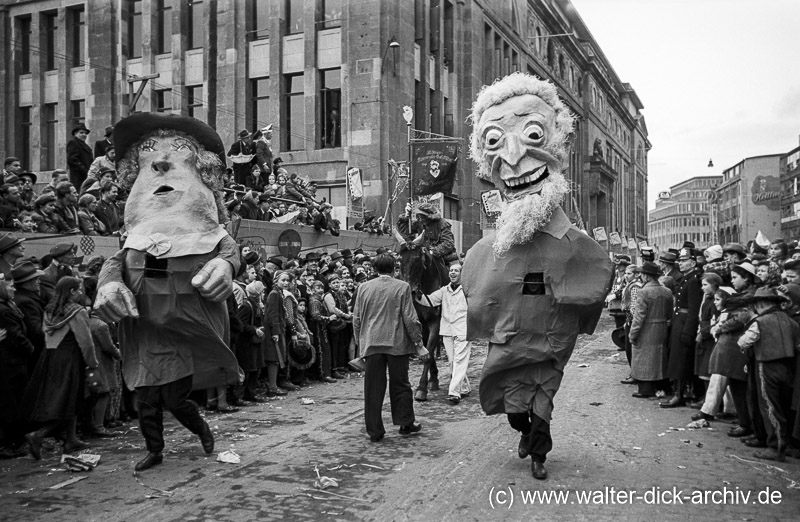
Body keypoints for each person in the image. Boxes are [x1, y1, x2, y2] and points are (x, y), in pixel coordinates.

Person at [462, 73, 613, 480]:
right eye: (494, 141)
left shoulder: (573, 242)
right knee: (514, 408)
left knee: (542, 403)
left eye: (531, 133)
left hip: (547, 344)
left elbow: (595, 280)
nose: (512, 156)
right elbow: (475, 289)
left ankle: (539, 455)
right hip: (511, 343)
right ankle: (524, 434)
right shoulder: (490, 248)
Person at [93, 113, 241, 472]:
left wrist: (226, 266)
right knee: (146, 400)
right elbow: (115, 265)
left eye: (179, 153)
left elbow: (230, 252)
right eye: (147, 155)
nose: (160, 161)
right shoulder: (135, 238)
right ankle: (154, 450)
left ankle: (201, 429)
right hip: (145, 331)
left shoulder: (210, 232)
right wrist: (109, 285)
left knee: (176, 399)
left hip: (186, 333)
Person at [23, 277, 98, 460]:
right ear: (71, 291)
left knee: (66, 399)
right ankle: (38, 434)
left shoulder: (49, 311)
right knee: (67, 401)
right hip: (70, 358)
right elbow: (85, 342)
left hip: (49, 357)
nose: (81, 292)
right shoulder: (77, 312)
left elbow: (45, 334)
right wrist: (92, 363)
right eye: (78, 289)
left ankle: (71, 439)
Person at [353, 253, 425, 443]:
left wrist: (361, 345)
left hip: (371, 344)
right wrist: (418, 344)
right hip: (396, 344)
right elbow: (410, 318)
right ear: (395, 269)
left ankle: (375, 431)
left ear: (374, 269)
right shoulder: (402, 287)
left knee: (373, 388)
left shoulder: (363, 288)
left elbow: (357, 319)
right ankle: (405, 423)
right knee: (401, 384)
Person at [737, 287, 799, 462]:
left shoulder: (760, 322)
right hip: (789, 367)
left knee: (770, 407)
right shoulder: (790, 321)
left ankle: (775, 446)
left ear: (760, 304)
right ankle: (784, 443)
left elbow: (745, 341)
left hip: (767, 366)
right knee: (784, 406)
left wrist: (742, 345)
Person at [415, 262, 470, 404]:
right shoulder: (444, 291)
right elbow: (430, 301)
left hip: (463, 329)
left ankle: (454, 392)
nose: (452, 273)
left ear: (462, 274)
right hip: (447, 330)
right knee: (452, 361)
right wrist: (418, 295)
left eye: (456, 271)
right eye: (451, 271)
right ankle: (464, 387)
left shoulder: (467, 290)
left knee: (459, 360)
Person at [661, 248, 703, 408]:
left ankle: (680, 394)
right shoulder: (687, 279)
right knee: (678, 359)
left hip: (685, 322)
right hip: (680, 321)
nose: (680, 263)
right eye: (680, 261)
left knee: (682, 361)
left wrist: (688, 330)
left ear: (692, 263)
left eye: (684, 261)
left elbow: (693, 309)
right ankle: (680, 392)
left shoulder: (693, 280)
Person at [0, 278, 35, 458]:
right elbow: (15, 336)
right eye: (9, 286)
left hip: (13, 363)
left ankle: (14, 441)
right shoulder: (5, 311)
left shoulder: (9, 306)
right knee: (11, 405)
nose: (13, 288)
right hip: (10, 365)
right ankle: (11, 443)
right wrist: (31, 350)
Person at [629, 261, 674, 398]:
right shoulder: (667, 291)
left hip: (646, 328)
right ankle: (660, 385)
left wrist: (633, 334)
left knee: (644, 357)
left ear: (646, 276)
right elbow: (668, 313)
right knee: (659, 356)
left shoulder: (644, 292)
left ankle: (645, 389)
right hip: (661, 327)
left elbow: (639, 317)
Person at [67, 123, 93, 189]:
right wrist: (84, 170)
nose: (84, 135)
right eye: (81, 133)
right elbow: (72, 160)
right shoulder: (73, 143)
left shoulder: (85, 146)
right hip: (78, 177)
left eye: (85, 133)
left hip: (86, 176)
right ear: (75, 134)